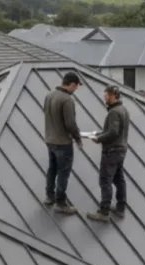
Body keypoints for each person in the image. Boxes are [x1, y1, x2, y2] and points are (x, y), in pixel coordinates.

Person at [87, 84, 130, 222]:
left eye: (107, 96)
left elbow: (113, 132)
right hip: (121, 150)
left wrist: (99, 138)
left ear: (113, 96)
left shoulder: (114, 112)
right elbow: (116, 130)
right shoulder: (123, 109)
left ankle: (104, 212)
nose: (104, 98)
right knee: (119, 179)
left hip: (111, 151)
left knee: (105, 180)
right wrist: (100, 133)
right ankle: (121, 207)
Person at [43, 71, 83, 214]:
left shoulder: (49, 95)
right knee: (63, 172)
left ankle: (49, 196)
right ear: (72, 84)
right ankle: (61, 203)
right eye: (76, 86)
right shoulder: (67, 100)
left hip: (50, 140)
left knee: (52, 169)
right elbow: (70, 124)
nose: (76, 89)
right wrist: (78, 139)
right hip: (63, 143)